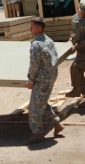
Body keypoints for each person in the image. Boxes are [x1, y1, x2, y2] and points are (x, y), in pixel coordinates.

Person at [25, 17, 64, 145]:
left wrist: (31, 80)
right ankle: (56, 122)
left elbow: (34, 65)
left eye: (32, 26)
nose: (30, 29)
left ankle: (37, 133)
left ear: (38, 28)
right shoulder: (49, 40)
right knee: (41, 102)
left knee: (34, 107)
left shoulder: (36, 44)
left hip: (42, 79)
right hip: (51, 77)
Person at [65, 0, 85, 107]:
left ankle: (77, 90)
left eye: (84, 12)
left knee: (75, 68)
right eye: (81, 11)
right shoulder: (75, 18)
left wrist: (77, 46)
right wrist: (70, 41)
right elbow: (73, 31)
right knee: (79, 71)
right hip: (79, 48)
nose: (82, 13)